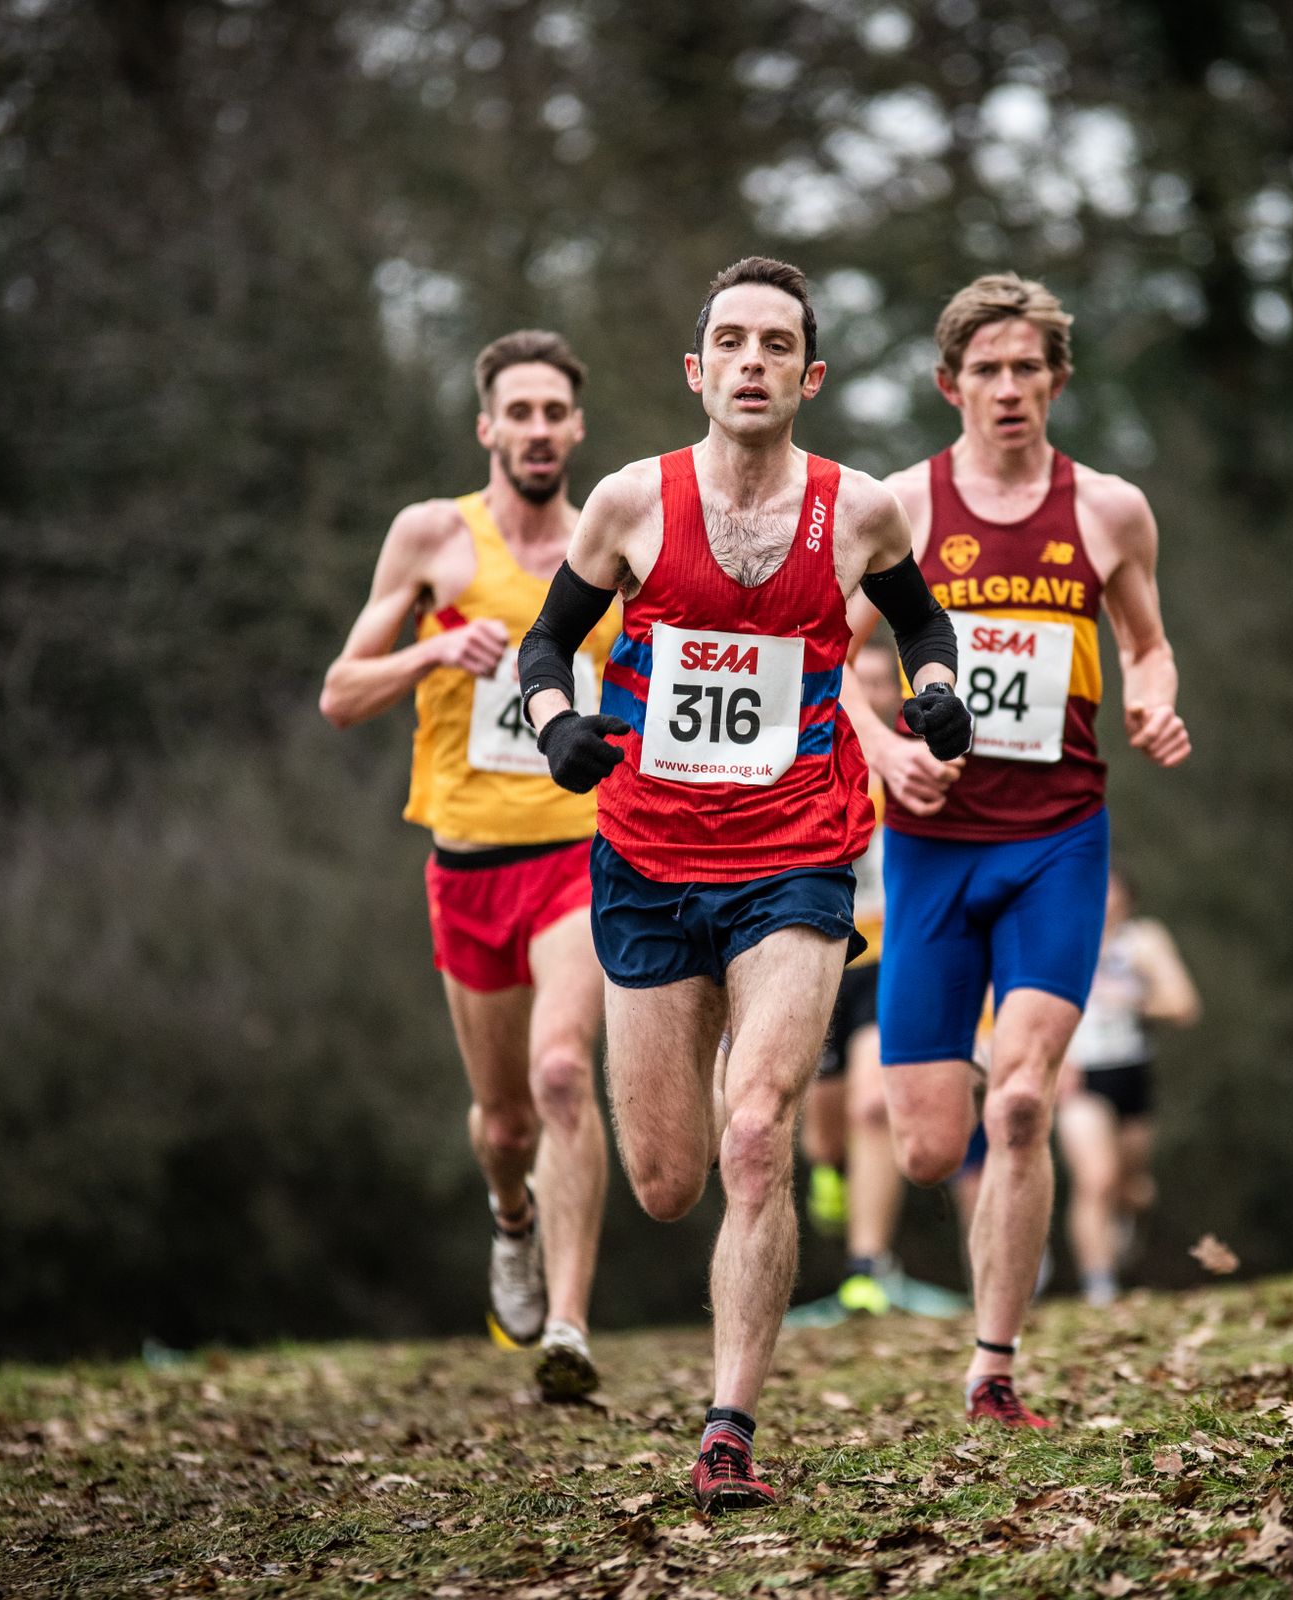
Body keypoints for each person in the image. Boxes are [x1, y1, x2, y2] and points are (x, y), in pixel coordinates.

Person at [515, 256, 970, 1511]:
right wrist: (559, 728)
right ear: (697, 369)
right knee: (670, 1182)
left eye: (777, 344)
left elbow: (924, 627)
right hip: (649, 863)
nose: (753, 361)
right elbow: (546, 644)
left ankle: (729, 1430)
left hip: (798, 857)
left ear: (810, 377)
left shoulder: (860, 511)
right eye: (732, 341)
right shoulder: (631, 503)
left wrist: (936, 693)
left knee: (759, 1132)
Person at [848, 273, 1192, 1429]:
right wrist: (883, 752)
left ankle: (994, 1367)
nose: (1008, 388)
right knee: (929, 1144)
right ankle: (973, 1267)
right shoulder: (900, 506)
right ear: (950, 384)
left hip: (1058, 841)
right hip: (930, 850)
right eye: (986, 370)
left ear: (1057, 379)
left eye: (1026, 367)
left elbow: (1148, 643)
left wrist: (1152, 697)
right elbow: (831, 658)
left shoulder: (1110, 511)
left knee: (1028, 1100)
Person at [319, 330, 619, 1403]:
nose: (538, 430)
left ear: (577, 428)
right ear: (488, 427)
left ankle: (569, 1327)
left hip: (577, 854)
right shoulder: (434, 537)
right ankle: (510, 1214)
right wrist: (434, 648)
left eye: (554, 412)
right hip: (468, 866)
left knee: (562, 1073)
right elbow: (340, 694)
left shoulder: (609, 546)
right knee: (504, 1123)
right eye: (519, 412)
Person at [789, 639, 967, 1326]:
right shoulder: (803, 750)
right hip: (821, 956)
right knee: (823, 1133)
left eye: (878, 681)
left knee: (873, 1107)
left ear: (896, 692)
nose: (866, 691)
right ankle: (828, 1171)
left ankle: (866, 1269)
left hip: (891, 956)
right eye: (853, 679)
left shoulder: (917, 760)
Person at [1056, 876, 1201, 1306]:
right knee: (1095, 1179)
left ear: (1127, 899)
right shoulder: (1060, 937)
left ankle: (1126, 1217)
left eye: (1112, 890)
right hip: (1080, 1077)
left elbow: (1183, 1005)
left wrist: (1131, 1000)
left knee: (1131, 1186)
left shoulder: (1143, 940)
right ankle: (1099, 1284)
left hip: (1131, 1071)